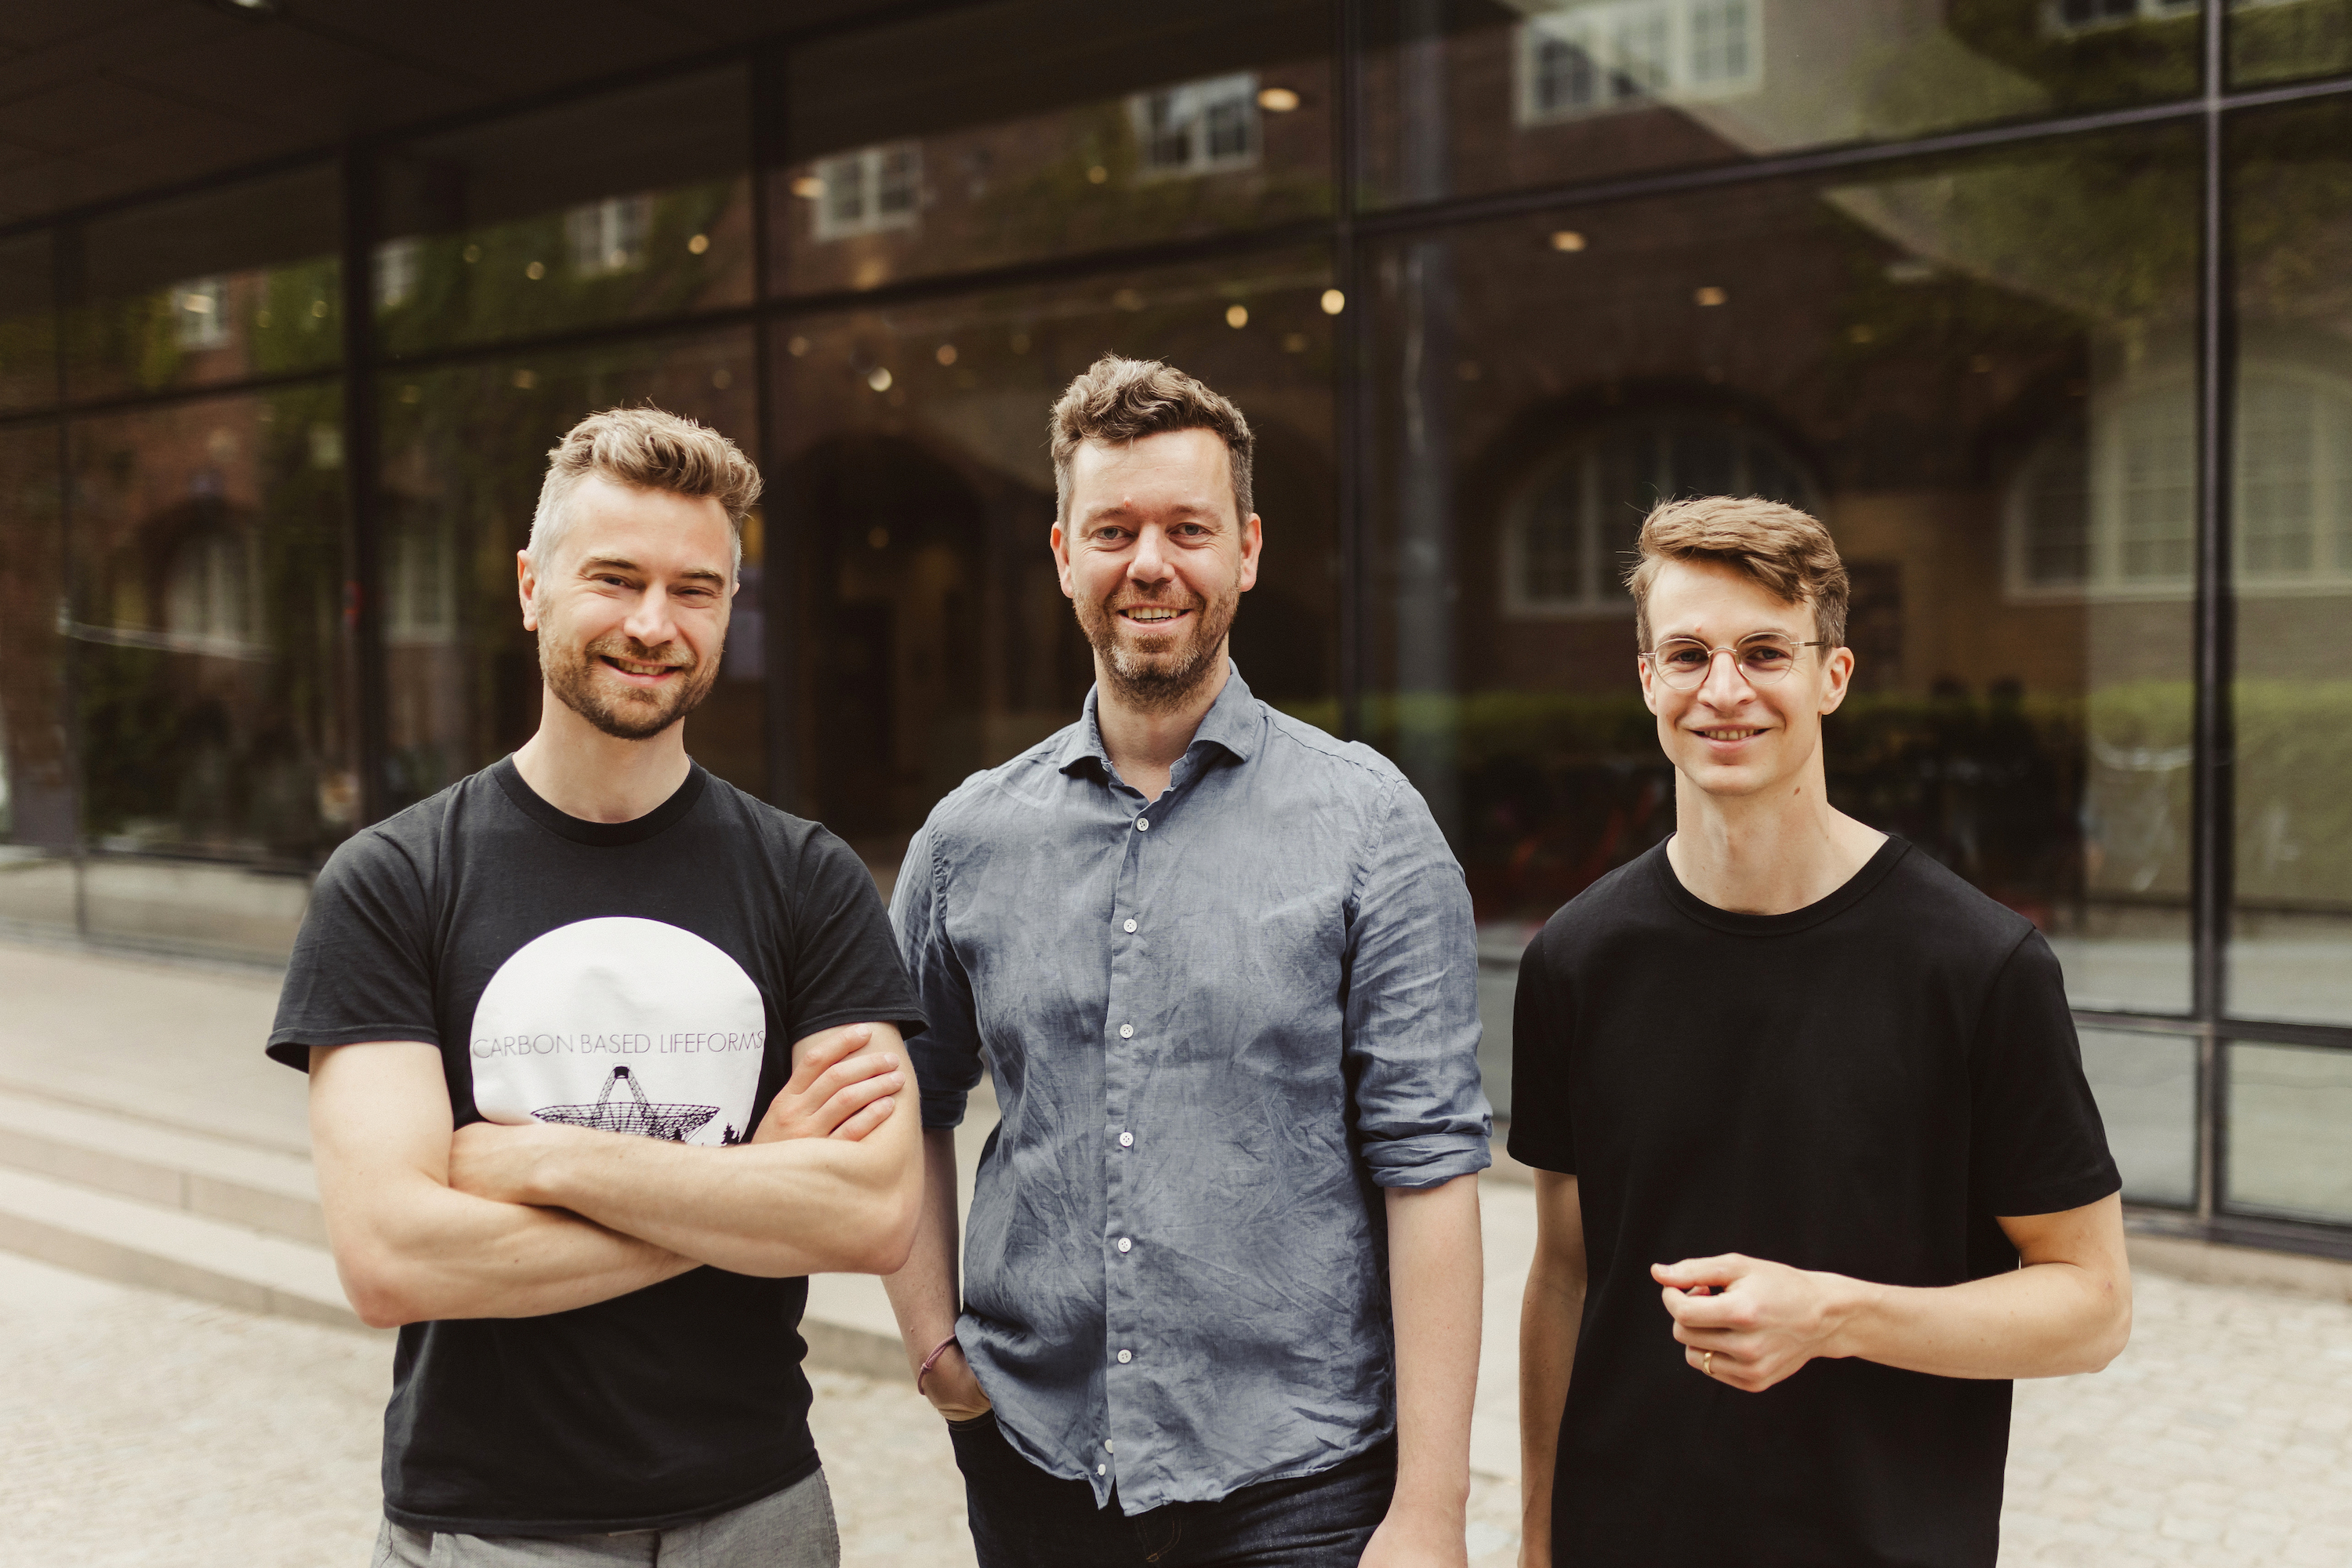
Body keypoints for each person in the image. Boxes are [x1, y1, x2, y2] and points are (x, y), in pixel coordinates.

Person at [267, 407, 925, 1566]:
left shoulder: (809, 877)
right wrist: (750, 1187)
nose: (653, 624)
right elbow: (392, 1258)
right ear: (531, 587)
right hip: (490, 1524)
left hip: (759, 1512)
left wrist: (545, 1160)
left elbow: (871, 1214)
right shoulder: (393, 881)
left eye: (698, 589)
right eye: (614, 579)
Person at [884, 355, 1491, 1567]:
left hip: (1301, 1477)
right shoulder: (965, 840)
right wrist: (930, 1343)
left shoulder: (1371, 826)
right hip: (1037, 1458)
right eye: (1111, 529)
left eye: (1187, 528)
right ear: (1063, 555)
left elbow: (1431, 1169)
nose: (1149, 563)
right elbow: (907, 1098)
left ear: (1247, 550)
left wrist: (1430, 1507)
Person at [1511, 496, 2132, 1567]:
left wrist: (1836, 1317)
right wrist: (1535, 1543)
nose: (1724, 690)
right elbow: (1566, 1274)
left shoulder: (1978, 966)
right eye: (1689, 653)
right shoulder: (1574, 959)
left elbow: (2092, 1305)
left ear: (1832, 677)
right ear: (1648, 681)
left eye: (1764, 651)